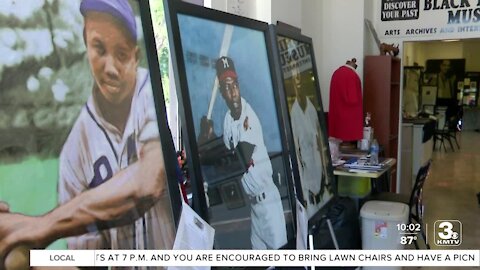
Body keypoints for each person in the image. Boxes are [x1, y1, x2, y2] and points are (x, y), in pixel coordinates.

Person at [0, 0, 175, 264]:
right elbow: (86, 264)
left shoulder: (156, 94)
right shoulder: (75, 148)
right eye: (99, 49)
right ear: (86, 46)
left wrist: (41, 226)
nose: (110, 67)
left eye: (122, 53)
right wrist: (24, 253)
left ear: (136, 56)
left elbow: (149, 181)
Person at [203, 56, 287, 249]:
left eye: (234, 85)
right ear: (222, 92)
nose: (232, 92)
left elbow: (237, 162)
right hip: (255, 208)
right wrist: (209, 137)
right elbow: (226, 150)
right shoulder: (227, 119)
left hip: (268, 204)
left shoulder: (249, 117)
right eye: (226, 87)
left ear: (239, 86)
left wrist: (206, 153)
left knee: (284, 262)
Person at [288, 62, 331, 217]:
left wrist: (327, 175)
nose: (297, 78)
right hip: (308, 188)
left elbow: (320, 143)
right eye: (294, 76)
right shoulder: (294, 114)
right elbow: (296, 153)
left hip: (322, 183)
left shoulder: (312, 108)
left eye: (299, 74)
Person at [328, 58, 363, 142]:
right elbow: (353, 99)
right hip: (348, 121)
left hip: (336, 117)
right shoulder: (352, 75)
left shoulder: (336, 73)